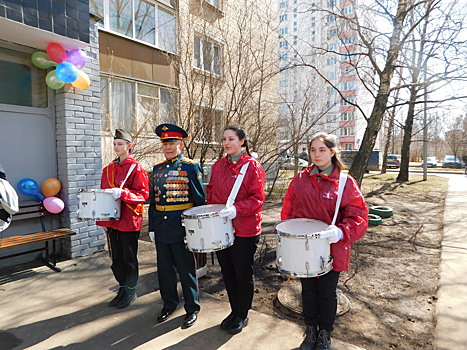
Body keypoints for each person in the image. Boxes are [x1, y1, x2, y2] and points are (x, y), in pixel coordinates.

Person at [281, 132, 368, 350]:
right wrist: (290, 235)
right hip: (304, 247)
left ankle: (325, 334)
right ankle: (310, 331)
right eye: (312, 150)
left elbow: (358, 215)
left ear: (332, 152)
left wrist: (341, 232)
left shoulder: (345, 182)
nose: (316, 155)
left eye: (322, 150)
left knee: (327, 292)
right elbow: (288, 211)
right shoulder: (300, 179)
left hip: (331, 247)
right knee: (308, 290)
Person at [206, 125, 266, 334]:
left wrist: (236, 210)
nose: (226, 143)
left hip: (244, 229)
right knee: (228, 273)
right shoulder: (219, 165)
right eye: (224, 139)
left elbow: (257, 199)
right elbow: (212, 192)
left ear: (242, 141)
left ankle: (243, 314)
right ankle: (234, 310)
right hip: (221, 228)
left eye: (231, 139)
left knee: (242, 273)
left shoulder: (252, 167)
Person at [148, 123, 206, 329]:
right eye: (165, 144)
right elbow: (153, 202)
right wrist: (152, 228)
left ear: (180, 144)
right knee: (164, 270)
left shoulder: (191, 167)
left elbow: (199, 201)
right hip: (162, 228)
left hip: (182, 227)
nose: (168, 148)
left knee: (186, 270)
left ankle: (192, 309)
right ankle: (169, 304)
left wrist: (197, 229)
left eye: (172, 143)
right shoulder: (157, 169)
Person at [97, 129, 149, 309]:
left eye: (120, 144)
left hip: (129, 219)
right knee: (116, 259)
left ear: (129, 146)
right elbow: (103, 196)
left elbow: (143, 194)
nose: (116, 147)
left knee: (129, 258)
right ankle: (122, 287)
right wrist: (102, 221)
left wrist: (123, 193)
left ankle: (130, 290)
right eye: (115, 144)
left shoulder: (137, 168)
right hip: (112, 221)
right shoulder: (108, 169)